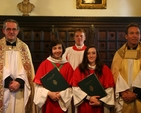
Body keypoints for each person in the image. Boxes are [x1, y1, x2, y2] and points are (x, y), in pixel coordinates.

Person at [0, 19, 36, 113]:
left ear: (18, 31)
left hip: (20, 90)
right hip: (3, 90)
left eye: (14, 29)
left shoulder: (24, 47)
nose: (11, 32)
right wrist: (8, 81)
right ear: (3, 31)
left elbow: (28, 69)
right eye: (8, 29)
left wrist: (19, 81)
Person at [33, 38, 74, 113]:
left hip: (62, 100)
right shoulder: (44, 64)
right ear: (51, 50)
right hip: (48, 101)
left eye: (59, 48)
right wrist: (49, 93)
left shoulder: (67, 65)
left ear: (63, 49)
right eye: (54, 48)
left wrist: (61, 94)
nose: (57, 51)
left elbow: (71, 87)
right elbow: (38, 87)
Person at [72, 45, 115, 113]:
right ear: (85, 55)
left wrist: (100, 102)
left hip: (100, 105)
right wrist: (89, 98)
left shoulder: (105, 69)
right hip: (85, 104)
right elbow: (75, 88)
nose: (91, 55)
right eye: (88, 53)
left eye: (93, 53)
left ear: (97, 54)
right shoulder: (79, 69)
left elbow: (110, 89)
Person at [111, 22, 141, 113]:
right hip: (124, 96)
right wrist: (122, 92)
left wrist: (136, 94)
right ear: (126, 36)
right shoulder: (119, 54)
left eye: (137, 33)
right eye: (132, 33)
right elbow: (114, 74)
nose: (135, 36)